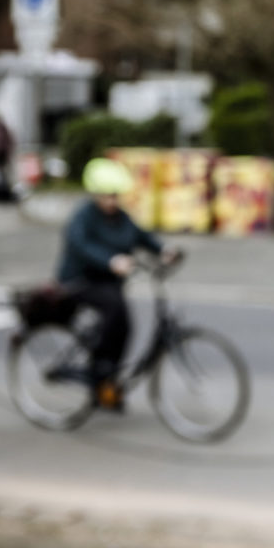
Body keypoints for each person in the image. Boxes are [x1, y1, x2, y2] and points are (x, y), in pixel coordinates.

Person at [57, 157, 172, 410]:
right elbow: (81, 245)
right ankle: (100, 371)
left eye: (116, 195)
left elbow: (140, 235)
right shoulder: (83, 217)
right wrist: (111, 260)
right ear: (96, 194)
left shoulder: (120, 217)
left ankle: (107, 383)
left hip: (107, 282)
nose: (113, 201)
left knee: (125, 327)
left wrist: (164, 249)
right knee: (114, 309)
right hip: (80, 282)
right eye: (107, 196)